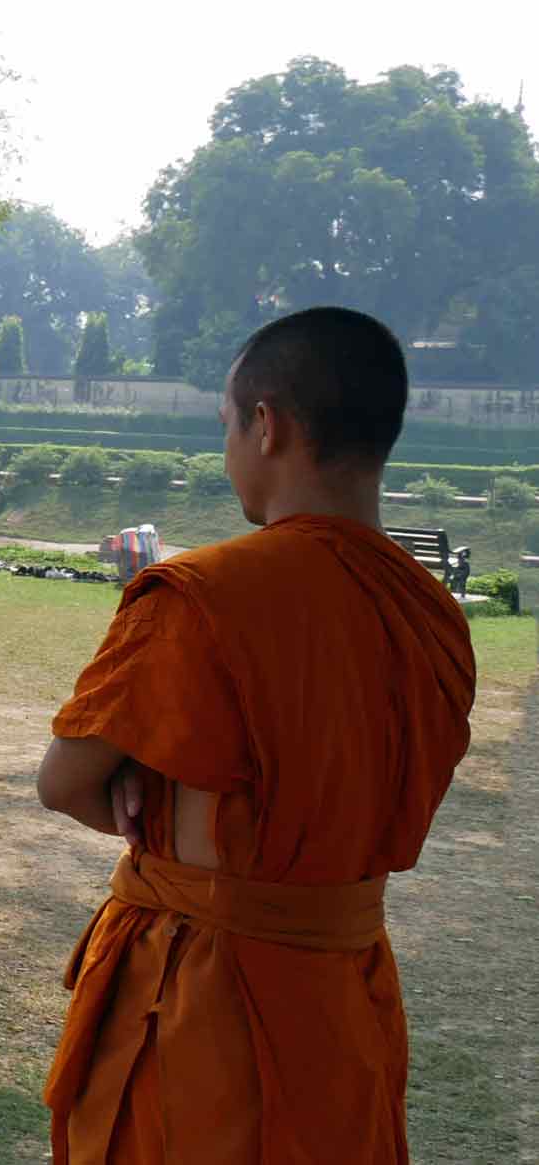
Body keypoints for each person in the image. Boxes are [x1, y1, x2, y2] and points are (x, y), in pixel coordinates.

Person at [33, 308, 476, 1165]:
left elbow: (64, 782)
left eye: (228, 425)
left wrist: (147, 787)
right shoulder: (433, 615)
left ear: (266, 425)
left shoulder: (206, 593)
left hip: (205, 997)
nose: (228, 446)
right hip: (345, 990)